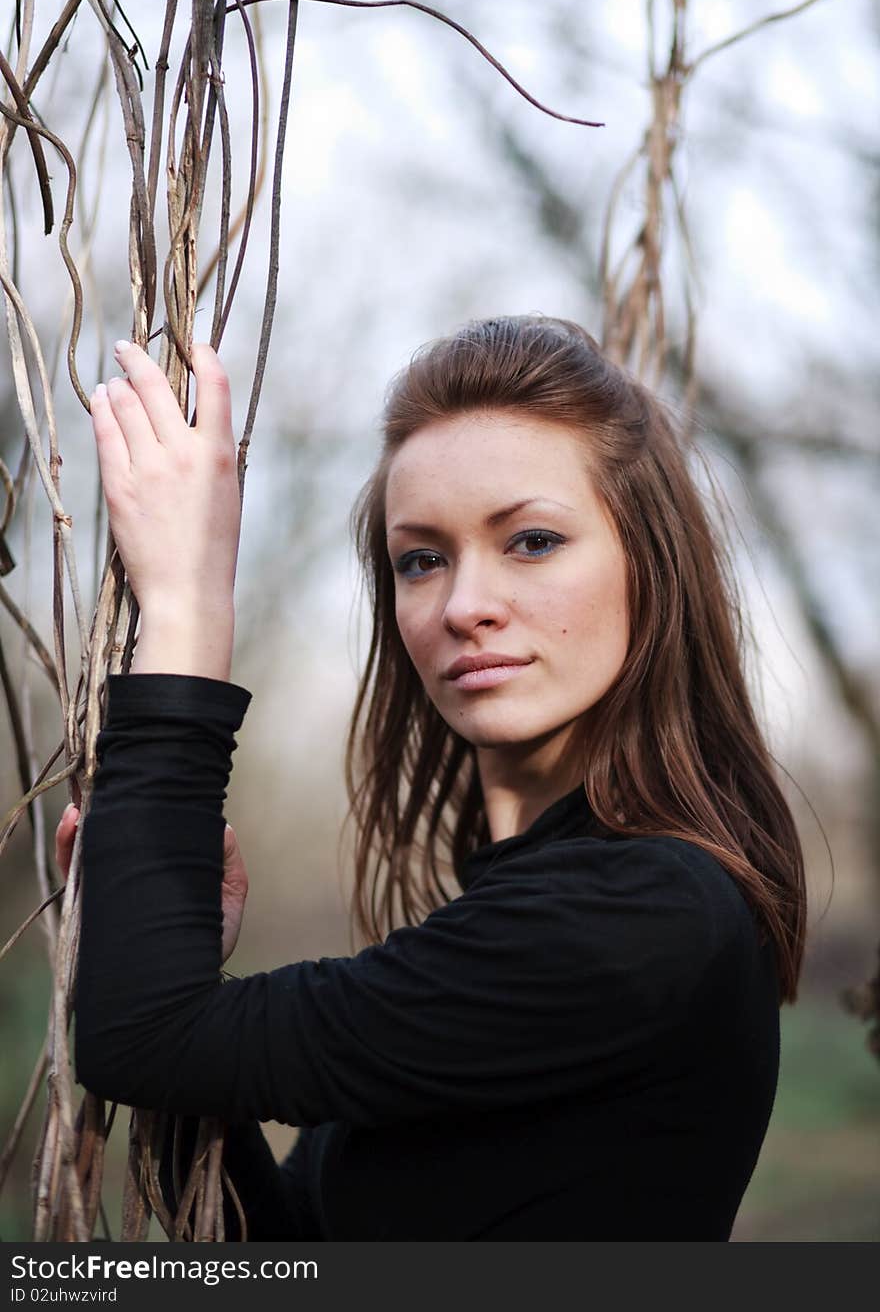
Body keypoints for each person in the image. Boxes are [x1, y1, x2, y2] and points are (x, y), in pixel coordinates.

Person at [60, 315, 806, 1241]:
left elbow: (141, 1044)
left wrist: (186, 607)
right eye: (423, 560)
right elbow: (295, 1244)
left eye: (531, 541)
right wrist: (161, 946)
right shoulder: (518, 911)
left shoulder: (645, 910)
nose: (464, 607)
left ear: (649, 570)